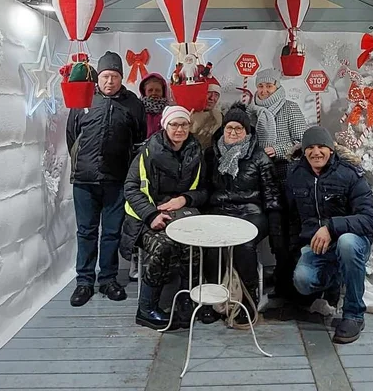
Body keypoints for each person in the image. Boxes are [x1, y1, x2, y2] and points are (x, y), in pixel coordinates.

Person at [66, 51, 147, 308]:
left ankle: (109, 279)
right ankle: (84, 281)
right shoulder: (84, 99)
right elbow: (72, 136)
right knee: (86, 232)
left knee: (111, 232)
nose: (109, 81)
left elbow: (139, 139)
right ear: (97, 78)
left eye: (114, 76)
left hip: (117, 179)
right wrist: (82, 163)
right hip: (84, 180)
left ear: (121, 78)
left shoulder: (134, 103)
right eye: (104, 76)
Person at [287, 126, 373, 344]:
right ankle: (334, 280)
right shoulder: (295, 175)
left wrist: (331, 227)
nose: (316, 152)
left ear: (330, 149)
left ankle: (354, 314)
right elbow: (291, 219)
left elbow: (372, 219)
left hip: (350, 241)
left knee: (347, 244)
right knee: (302, 281)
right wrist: (292, 253)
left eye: (321, 147)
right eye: (310, 147)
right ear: (304, 151)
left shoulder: (349, 174)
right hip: (316, 246)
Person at [120, 105, 207, 330]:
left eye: (184, 124)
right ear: (165, 126)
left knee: (194, 246)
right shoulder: (147, 152)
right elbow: (131, 188)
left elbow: (205, 190)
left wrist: (185, 199)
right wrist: (151, 216)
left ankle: (187, 302)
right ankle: (146, 308)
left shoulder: (196, 152)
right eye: (174, 124)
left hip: (180, 214)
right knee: (165, 247)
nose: (179, 129)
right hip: (145, 219)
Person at [204, 103, 284, 307]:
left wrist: (276, 234)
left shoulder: (259, 157)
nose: (233, 132)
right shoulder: (211, 155)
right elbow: (204, 190)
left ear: (246, 131)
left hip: (251, 213)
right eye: (229, 128)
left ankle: (248, 299)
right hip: (219, 212)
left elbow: (272, 196)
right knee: (211, 245)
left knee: (243, 244)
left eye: (238, 128)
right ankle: (214, 300)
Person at [251, 68, 307, 297]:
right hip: (259, 178)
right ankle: (279, 274)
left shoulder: (290, 108)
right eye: (260, 86)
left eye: (268, 86)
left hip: (285, 176)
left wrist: (279, 150)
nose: (264, 91)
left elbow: (303, 141)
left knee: (287, 229)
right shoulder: (251, 111)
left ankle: (289, 278)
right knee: (272, 230)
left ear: (277, 86)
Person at [190, 77, 223, 150]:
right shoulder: (186, 114)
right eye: (208, 93)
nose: (212, 98)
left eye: (216, 95)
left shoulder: (220, 117)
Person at [139, 72, 169, 138]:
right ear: (144, 92)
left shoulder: (168, 112)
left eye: (157, 90)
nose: (154, 93)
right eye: (150, 90)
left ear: (163, 92)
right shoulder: (138, 110)